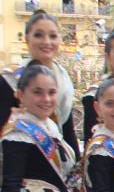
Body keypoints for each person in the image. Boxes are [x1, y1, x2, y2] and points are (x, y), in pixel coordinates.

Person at [0, 11, 79, 156]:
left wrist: (77, 166)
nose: (47, 42)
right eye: (38, 35)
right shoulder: (10, 80)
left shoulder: (64, 79)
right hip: (21, 164)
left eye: (53, 36)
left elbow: (67, 130)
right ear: (27, 39)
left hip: (57, 163)